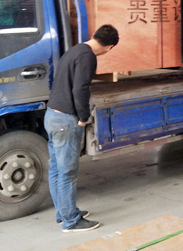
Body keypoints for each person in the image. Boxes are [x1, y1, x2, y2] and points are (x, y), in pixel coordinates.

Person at [44, 24, 119, 233]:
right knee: (67, 172)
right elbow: (80, 89)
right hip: (66, 120)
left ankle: (63, 213)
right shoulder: (88, 57)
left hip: (52, 116)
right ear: (109, 47)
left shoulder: (75, 50)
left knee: (56, 169)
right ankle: (70, 221)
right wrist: (83, 118)